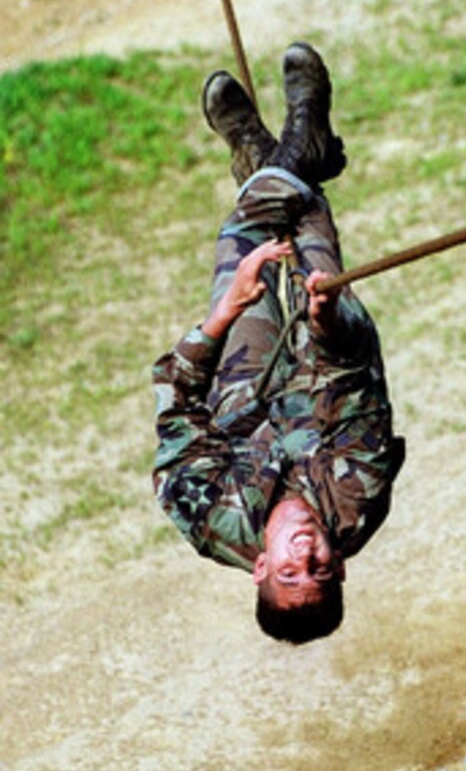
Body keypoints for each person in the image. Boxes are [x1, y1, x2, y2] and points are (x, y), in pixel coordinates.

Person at [152, 42, 404, 644]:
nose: (304, 552)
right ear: (339, 565)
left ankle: (277, 156)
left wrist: (224, 315)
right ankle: (293, 154)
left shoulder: (209, 520)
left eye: (290, 569)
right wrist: (323, 323)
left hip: (241, 392)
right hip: (330, 378)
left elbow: (175, 405)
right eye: (318, 567)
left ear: (260, 568)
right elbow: (356, 383)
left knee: (244, 239)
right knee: (314, 252)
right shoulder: (356, 504)